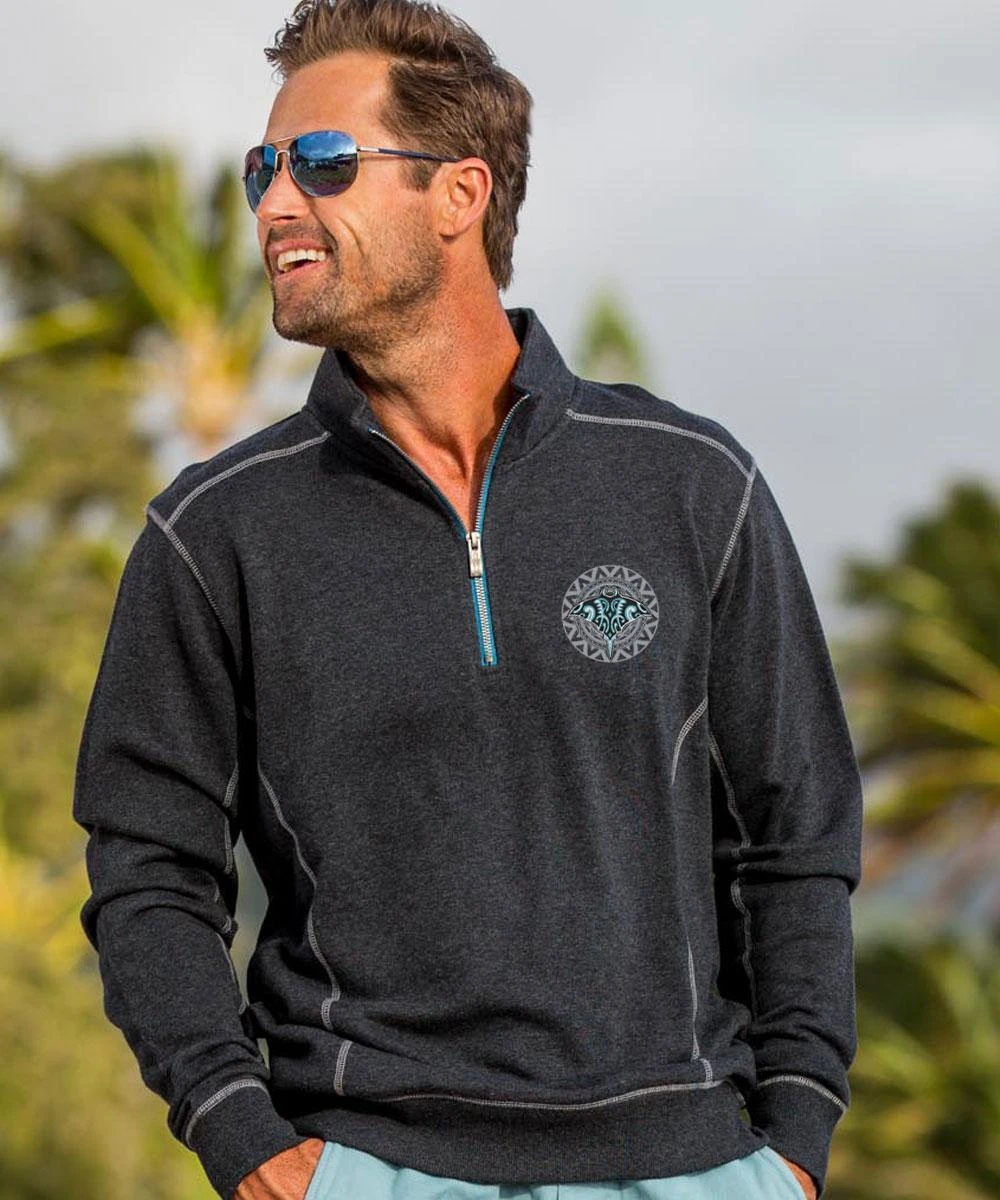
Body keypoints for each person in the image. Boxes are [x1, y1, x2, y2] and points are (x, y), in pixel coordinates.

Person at [73, 2, 863, 1199]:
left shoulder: (691, 485)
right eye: (260, 170)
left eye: (321, 162)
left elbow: (795, 834)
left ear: (459, 193)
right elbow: (147, 867)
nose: (275, 204)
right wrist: (244, 1141)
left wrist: (794, 1143)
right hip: (366, 1168)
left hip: (691, 1167)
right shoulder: (214, 532)